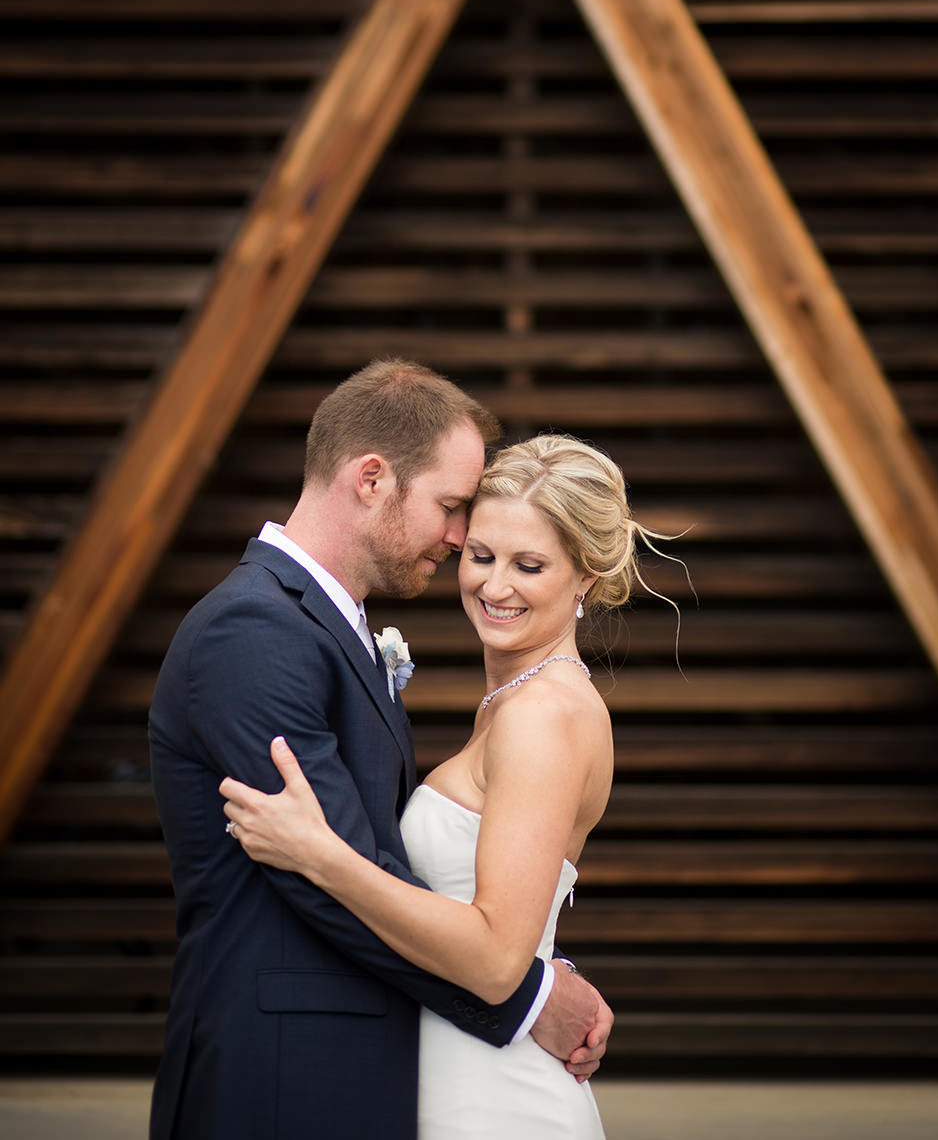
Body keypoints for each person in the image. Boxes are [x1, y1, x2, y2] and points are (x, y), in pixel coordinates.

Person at [147, 360, 612, 1140]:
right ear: (371, 479)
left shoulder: (519, 702)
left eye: (527, 563)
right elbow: (329, 883)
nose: (462, 539)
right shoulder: (254, 631)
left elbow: (350, 861)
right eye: (452, 509)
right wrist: (529, 995)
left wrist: (523, 967)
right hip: (279, 1074)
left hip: (394, 1074)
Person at [220, 433, 666, 1140]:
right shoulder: (517, 702)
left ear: (585, 577)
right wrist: (552, 971)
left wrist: (320, 854)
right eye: (481, 556)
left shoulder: (544, 717)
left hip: (494, 1099)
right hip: (448, 1068)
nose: (494, 586)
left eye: (530, 565)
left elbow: (493, 960)